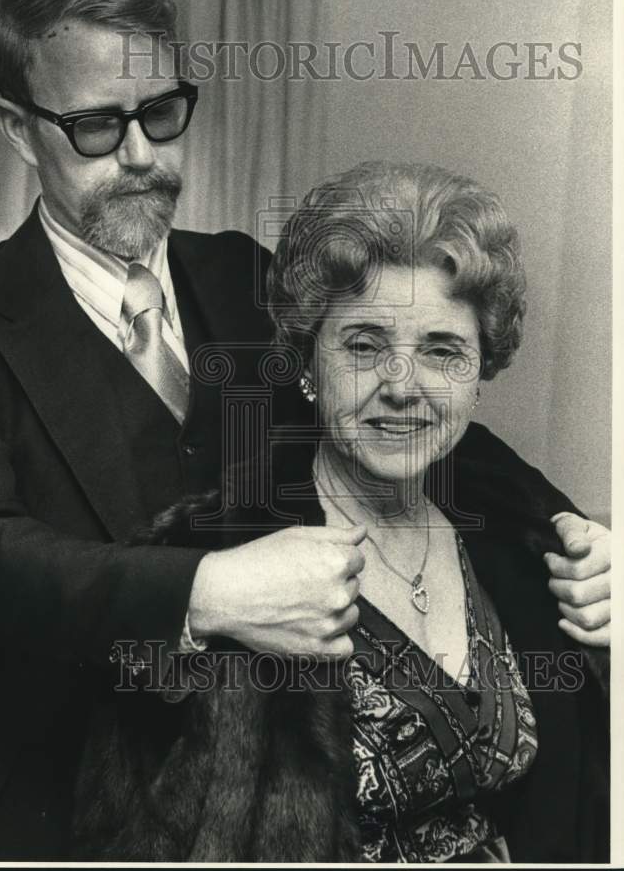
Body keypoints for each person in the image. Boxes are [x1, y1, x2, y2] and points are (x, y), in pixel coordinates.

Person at [0, 0, 610, 860]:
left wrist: (572, 529)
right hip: (20, 807)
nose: (141, 156)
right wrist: (207, 591)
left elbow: (402, 409)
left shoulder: (244, 277)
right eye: (97, 127)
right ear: (17, 129)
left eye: (160, 114)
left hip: (224, 810)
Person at [71, 161, 609, 864]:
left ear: (480, 374)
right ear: (305, 361)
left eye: (442, 350)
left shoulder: (521, 544)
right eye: (363, 346)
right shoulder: (216, 559)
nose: (400, 386)